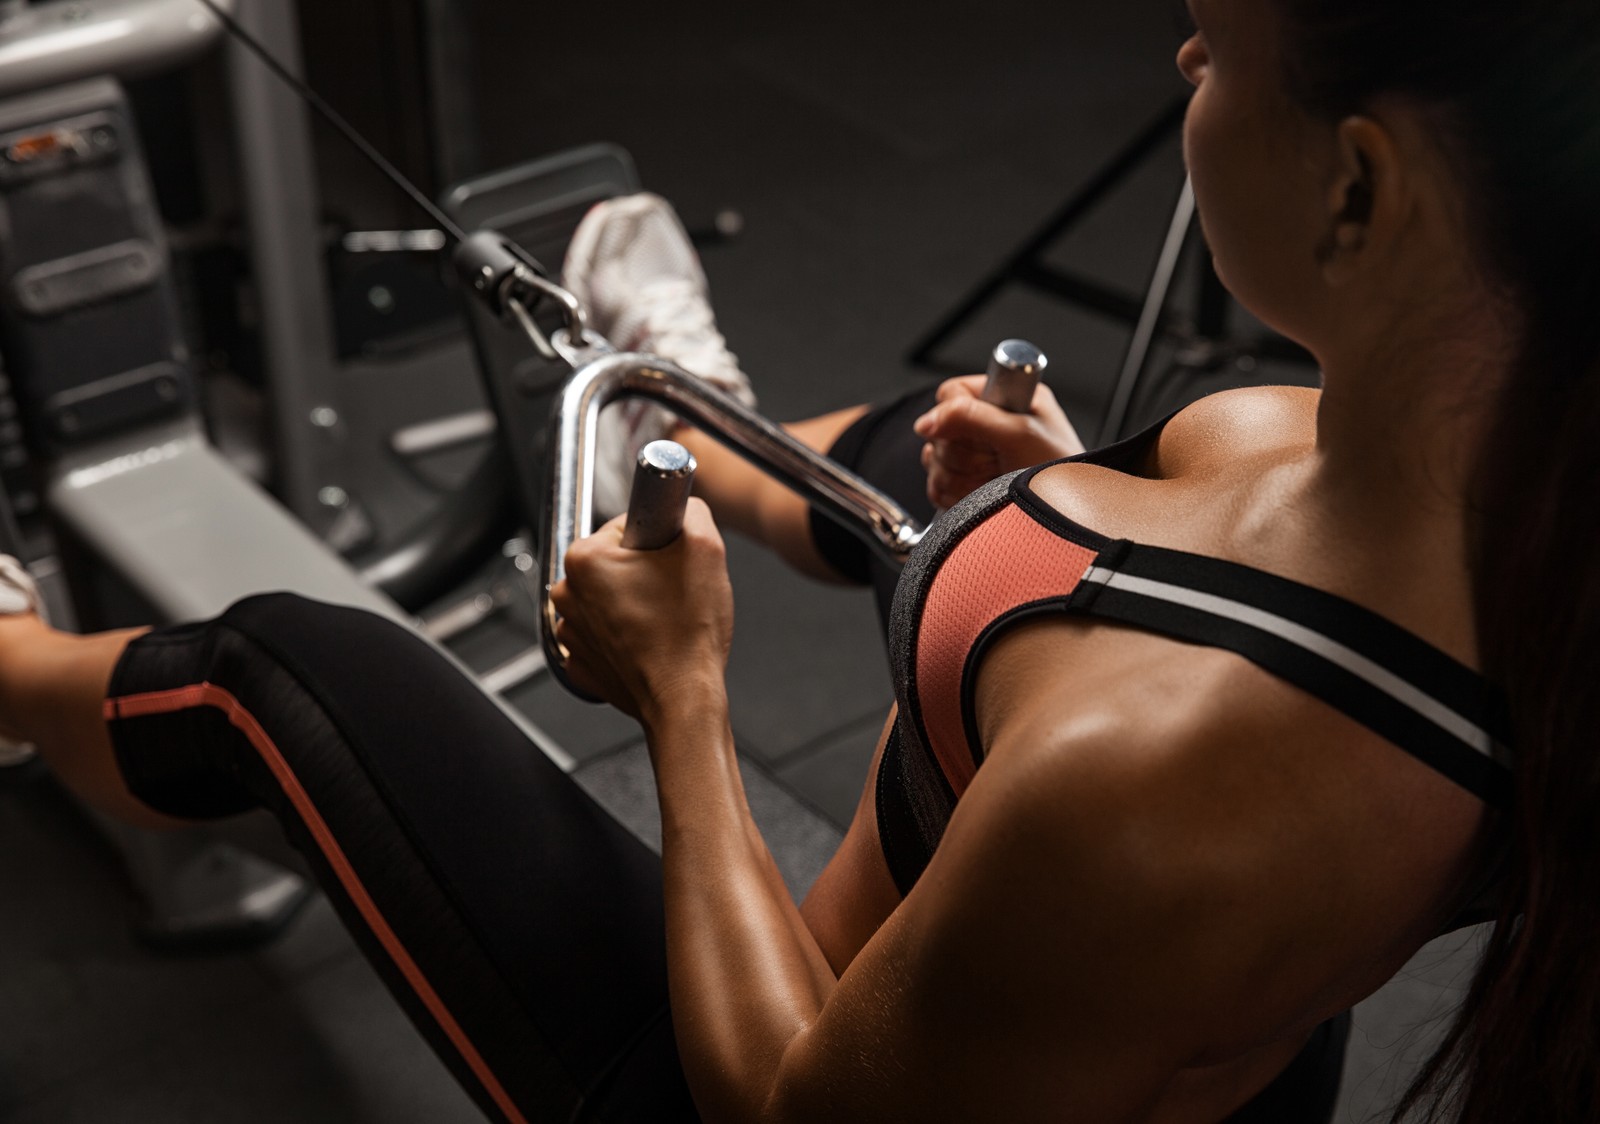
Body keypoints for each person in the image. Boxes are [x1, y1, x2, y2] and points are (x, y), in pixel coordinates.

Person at [3, 0, 1596, 1119]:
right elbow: (1185, 616)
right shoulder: (1451, 493)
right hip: (1121, 1019)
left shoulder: (1156, 791)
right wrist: (1055, 515)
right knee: (977, 451)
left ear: (1357, 190)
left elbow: (785, 1102)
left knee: (293, 674)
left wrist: (681, 693)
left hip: (749, 1062)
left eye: (1219, 50)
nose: (1183, 59)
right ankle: (703, 428)